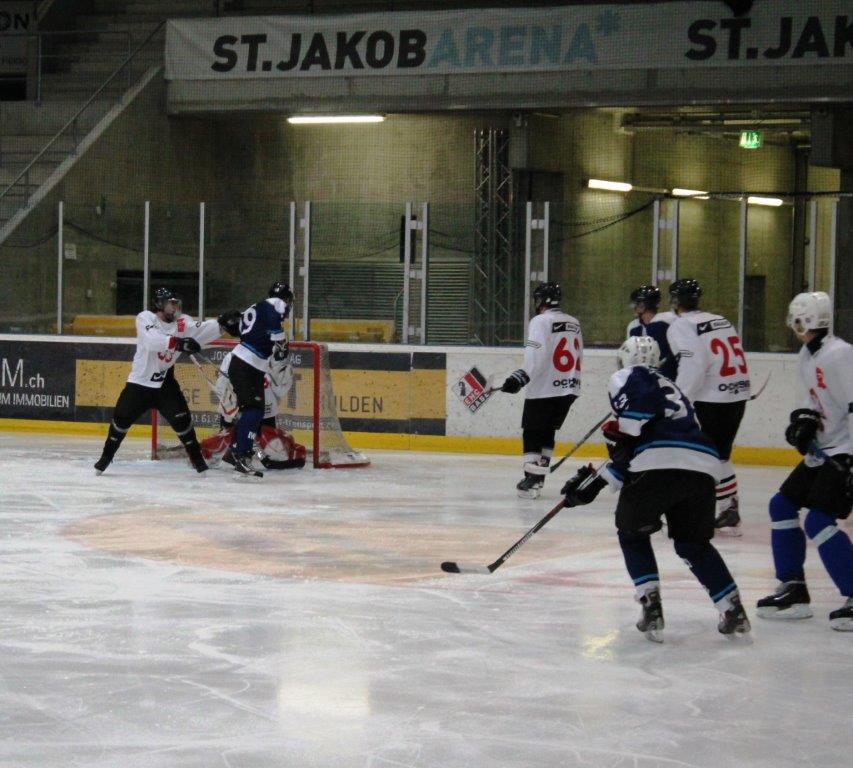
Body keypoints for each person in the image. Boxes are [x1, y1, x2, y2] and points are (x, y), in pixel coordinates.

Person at [561, 335, 750, 642]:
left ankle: (651, 608)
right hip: (703, 467)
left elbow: (634, 437)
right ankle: (733, 609)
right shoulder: (672, 386)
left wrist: (596, 482)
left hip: (659, 463)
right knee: (693, 545)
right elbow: (640, 439)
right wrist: (600, 476)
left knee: (632, 533)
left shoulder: (626, 377)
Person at [756, 291, 852, 631]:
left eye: (796, 321)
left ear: (804, 321)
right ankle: (794, 589)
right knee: (781, 505)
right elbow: (810, 402)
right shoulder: (808, 354)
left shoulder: (841, 354)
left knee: (818, 520)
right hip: (824, 450)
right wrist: (802, 424)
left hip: (844, 451)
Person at [94, 287, 233, 475]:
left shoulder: (182, 323)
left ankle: (199, 463)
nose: (175, 307)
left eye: (176, 304)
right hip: (139, 383)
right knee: (120, 420)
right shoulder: (145, 318)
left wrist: (222, 324)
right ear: (160, 304)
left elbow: (202, 330)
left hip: (165, 384)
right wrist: (179, 343)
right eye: (171, 304)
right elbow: (152, 341)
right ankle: (105, 459)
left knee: (183, 423)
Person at [666, 278, 751, 534]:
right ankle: (728, 507)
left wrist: (678, 399)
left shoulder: (681, 326)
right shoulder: (721, 320)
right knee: (718, 454)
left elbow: (694, 363)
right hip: (737, 393)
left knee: (699, 456)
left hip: (712, 398)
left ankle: (697, 510)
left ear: (675, 301)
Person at [501, 282, 582, 499]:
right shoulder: (574, 322)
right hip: (569, 388)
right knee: (547, 432)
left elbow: (536, 355)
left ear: (540, 301)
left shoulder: (540, 321)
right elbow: (578, 354)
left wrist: (519, 377)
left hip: (544, 389)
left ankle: (531, 480)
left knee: (532, 432)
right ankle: (539, 477)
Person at [227, 281, 293, 478]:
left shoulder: (257, 307)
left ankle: (236, 449)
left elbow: (239, 329)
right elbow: (275, 328)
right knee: (254, 411)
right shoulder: (276, 304)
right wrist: (281, 343)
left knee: (253, 411)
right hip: (246, 366)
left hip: (247, 366)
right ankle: (242, 456)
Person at [201, 348, 306, 470]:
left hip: (265, 415)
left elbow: (281, 390)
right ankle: (235, 452)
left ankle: (252, 453)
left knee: (274, 451)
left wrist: (280, 366)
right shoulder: (232, 357)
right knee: (221, 452)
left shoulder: (271, 357)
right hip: (236, 414)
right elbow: (221, 388)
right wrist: (230, 403)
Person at [626, 284, 677, 380]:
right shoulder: (634, 327)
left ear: (642, 306)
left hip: (670, 377)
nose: (634, 308)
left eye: (636, 304)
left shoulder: (668, 322)